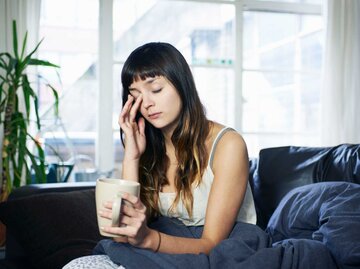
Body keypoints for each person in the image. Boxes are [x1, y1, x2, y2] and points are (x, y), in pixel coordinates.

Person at [63, 42, 256, 269]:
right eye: (135, 96)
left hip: (220, 254)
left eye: (156, 89)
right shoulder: (149, 147)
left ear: (182, 85)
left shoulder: (228, 145)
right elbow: (121, 234)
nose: (147, 104)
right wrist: (132, 157)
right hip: (164, 250)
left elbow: (212, 244)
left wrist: (148, 238)